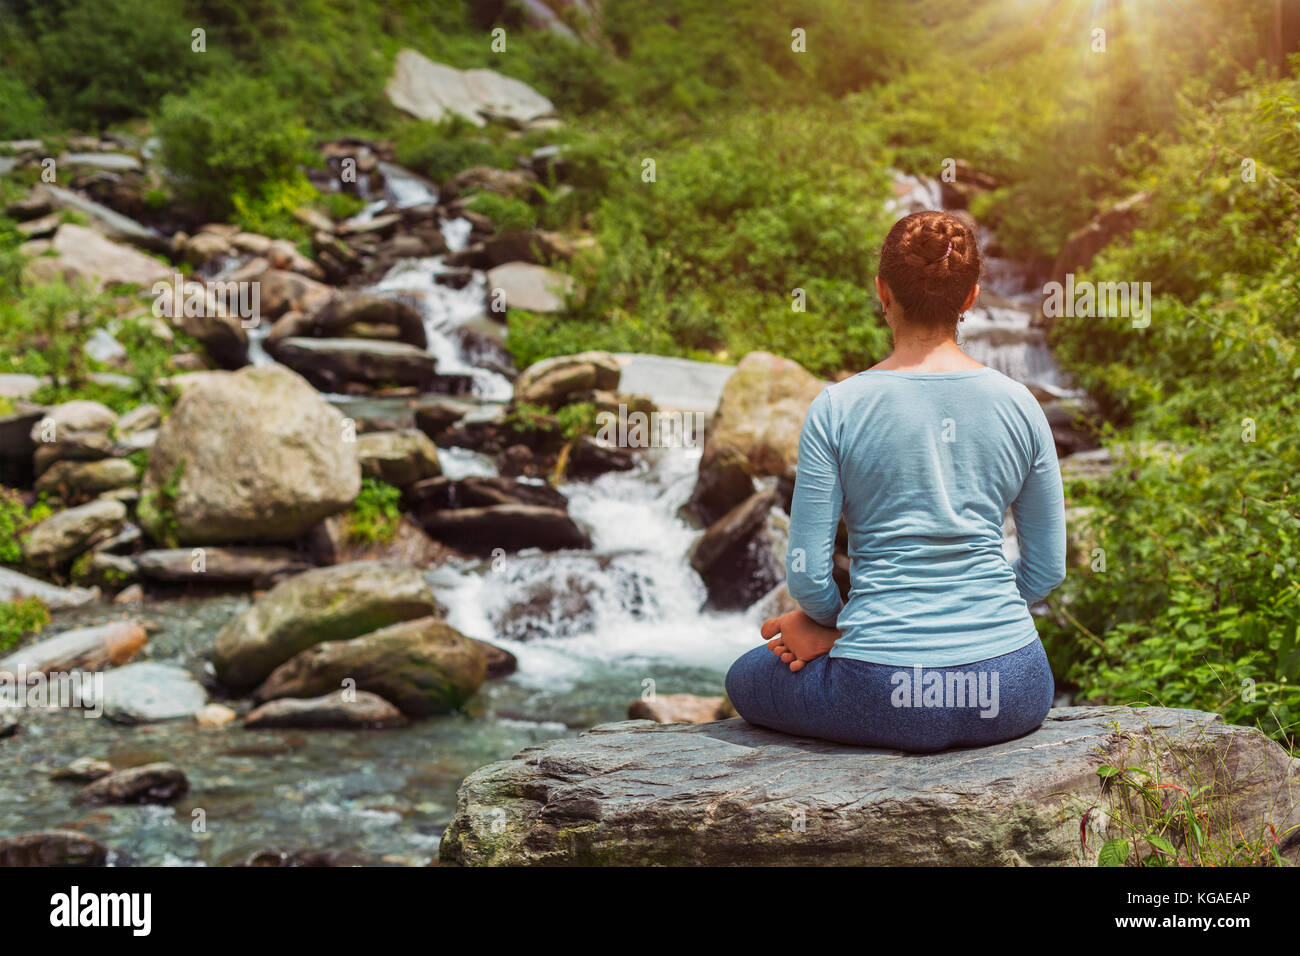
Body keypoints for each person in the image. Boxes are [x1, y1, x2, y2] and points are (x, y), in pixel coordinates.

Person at [724, 210, 1067, 752]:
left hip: (882, 689)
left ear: (883, 291)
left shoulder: (838, 406)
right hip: (1012, 687)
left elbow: (810, 575)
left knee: (744, 678)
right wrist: (982, 618)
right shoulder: (1021, 404)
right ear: (971, 297)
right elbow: (1047, 568)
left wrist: (833, 628)